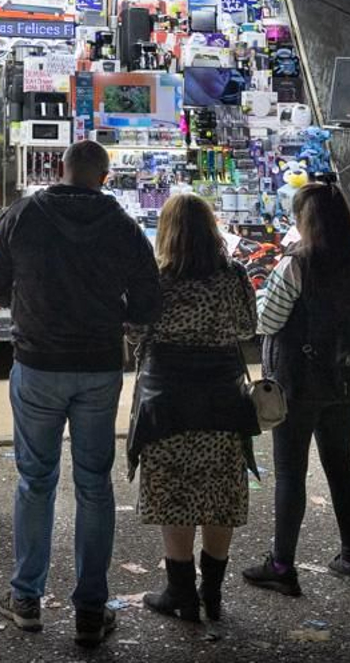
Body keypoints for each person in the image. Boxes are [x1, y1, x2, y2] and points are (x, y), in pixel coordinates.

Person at [0, 140, 160, 647]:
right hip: (99, 367)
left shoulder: (24, 214)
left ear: (60, 169)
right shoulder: (123, 226)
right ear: (104, 176)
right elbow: (148, 302)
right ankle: (89, 609)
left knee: (35, 480)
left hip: (37, 364)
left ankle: (27, 599)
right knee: (94, 486)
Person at [243, 181, 350, 598]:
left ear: (305, 221)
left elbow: (266, 323)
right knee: (341, 465)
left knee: (291, 471)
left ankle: (282, 565)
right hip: (349, 380)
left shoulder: (297, 265)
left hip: (300, 381)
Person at [126, 194, 257, 625]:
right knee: (221, 494)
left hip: (167, 402)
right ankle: (212, 593)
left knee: (173, 494)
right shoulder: (233, 276)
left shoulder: (156, 279)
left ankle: (180, 593)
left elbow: (134, 330)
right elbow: (246, 328)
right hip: (222, 399)